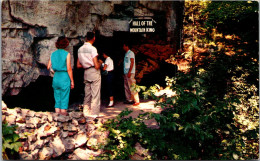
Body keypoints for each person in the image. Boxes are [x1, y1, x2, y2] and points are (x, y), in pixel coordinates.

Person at [77, 32, 102, 118]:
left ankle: (86, 113)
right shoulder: (93, 49)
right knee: (95, 94)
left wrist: (85, 64)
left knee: (87, 94)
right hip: (93, 71)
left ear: (86, 38)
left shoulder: (80, 49)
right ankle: (94, 115)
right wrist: (101, 63)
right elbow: (96, 65)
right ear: (94, 38)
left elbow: (78, 65)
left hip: (86, 72)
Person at [47, 36, 74, 116]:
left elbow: (48, 66)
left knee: (57, 99)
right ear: (66, 44)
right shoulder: (67, 54)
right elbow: (69, 68)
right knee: (64, 98)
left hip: (56, 77)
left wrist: (54, 70)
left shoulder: (53, 54)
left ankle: (57, 118)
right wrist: (72, 81)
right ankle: (62, 119)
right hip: (64, 77)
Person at [122, 41, 140, 106]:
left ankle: (136, 100)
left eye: (124, 46)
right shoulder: (126, 53)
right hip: (126, 72)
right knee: (126, 86)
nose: (123, 47)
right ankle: (129, 99)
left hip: (130, 72)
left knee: (132, 86)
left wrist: (129, 72)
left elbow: (132, 62)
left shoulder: (131, 53)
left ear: (127, 46)